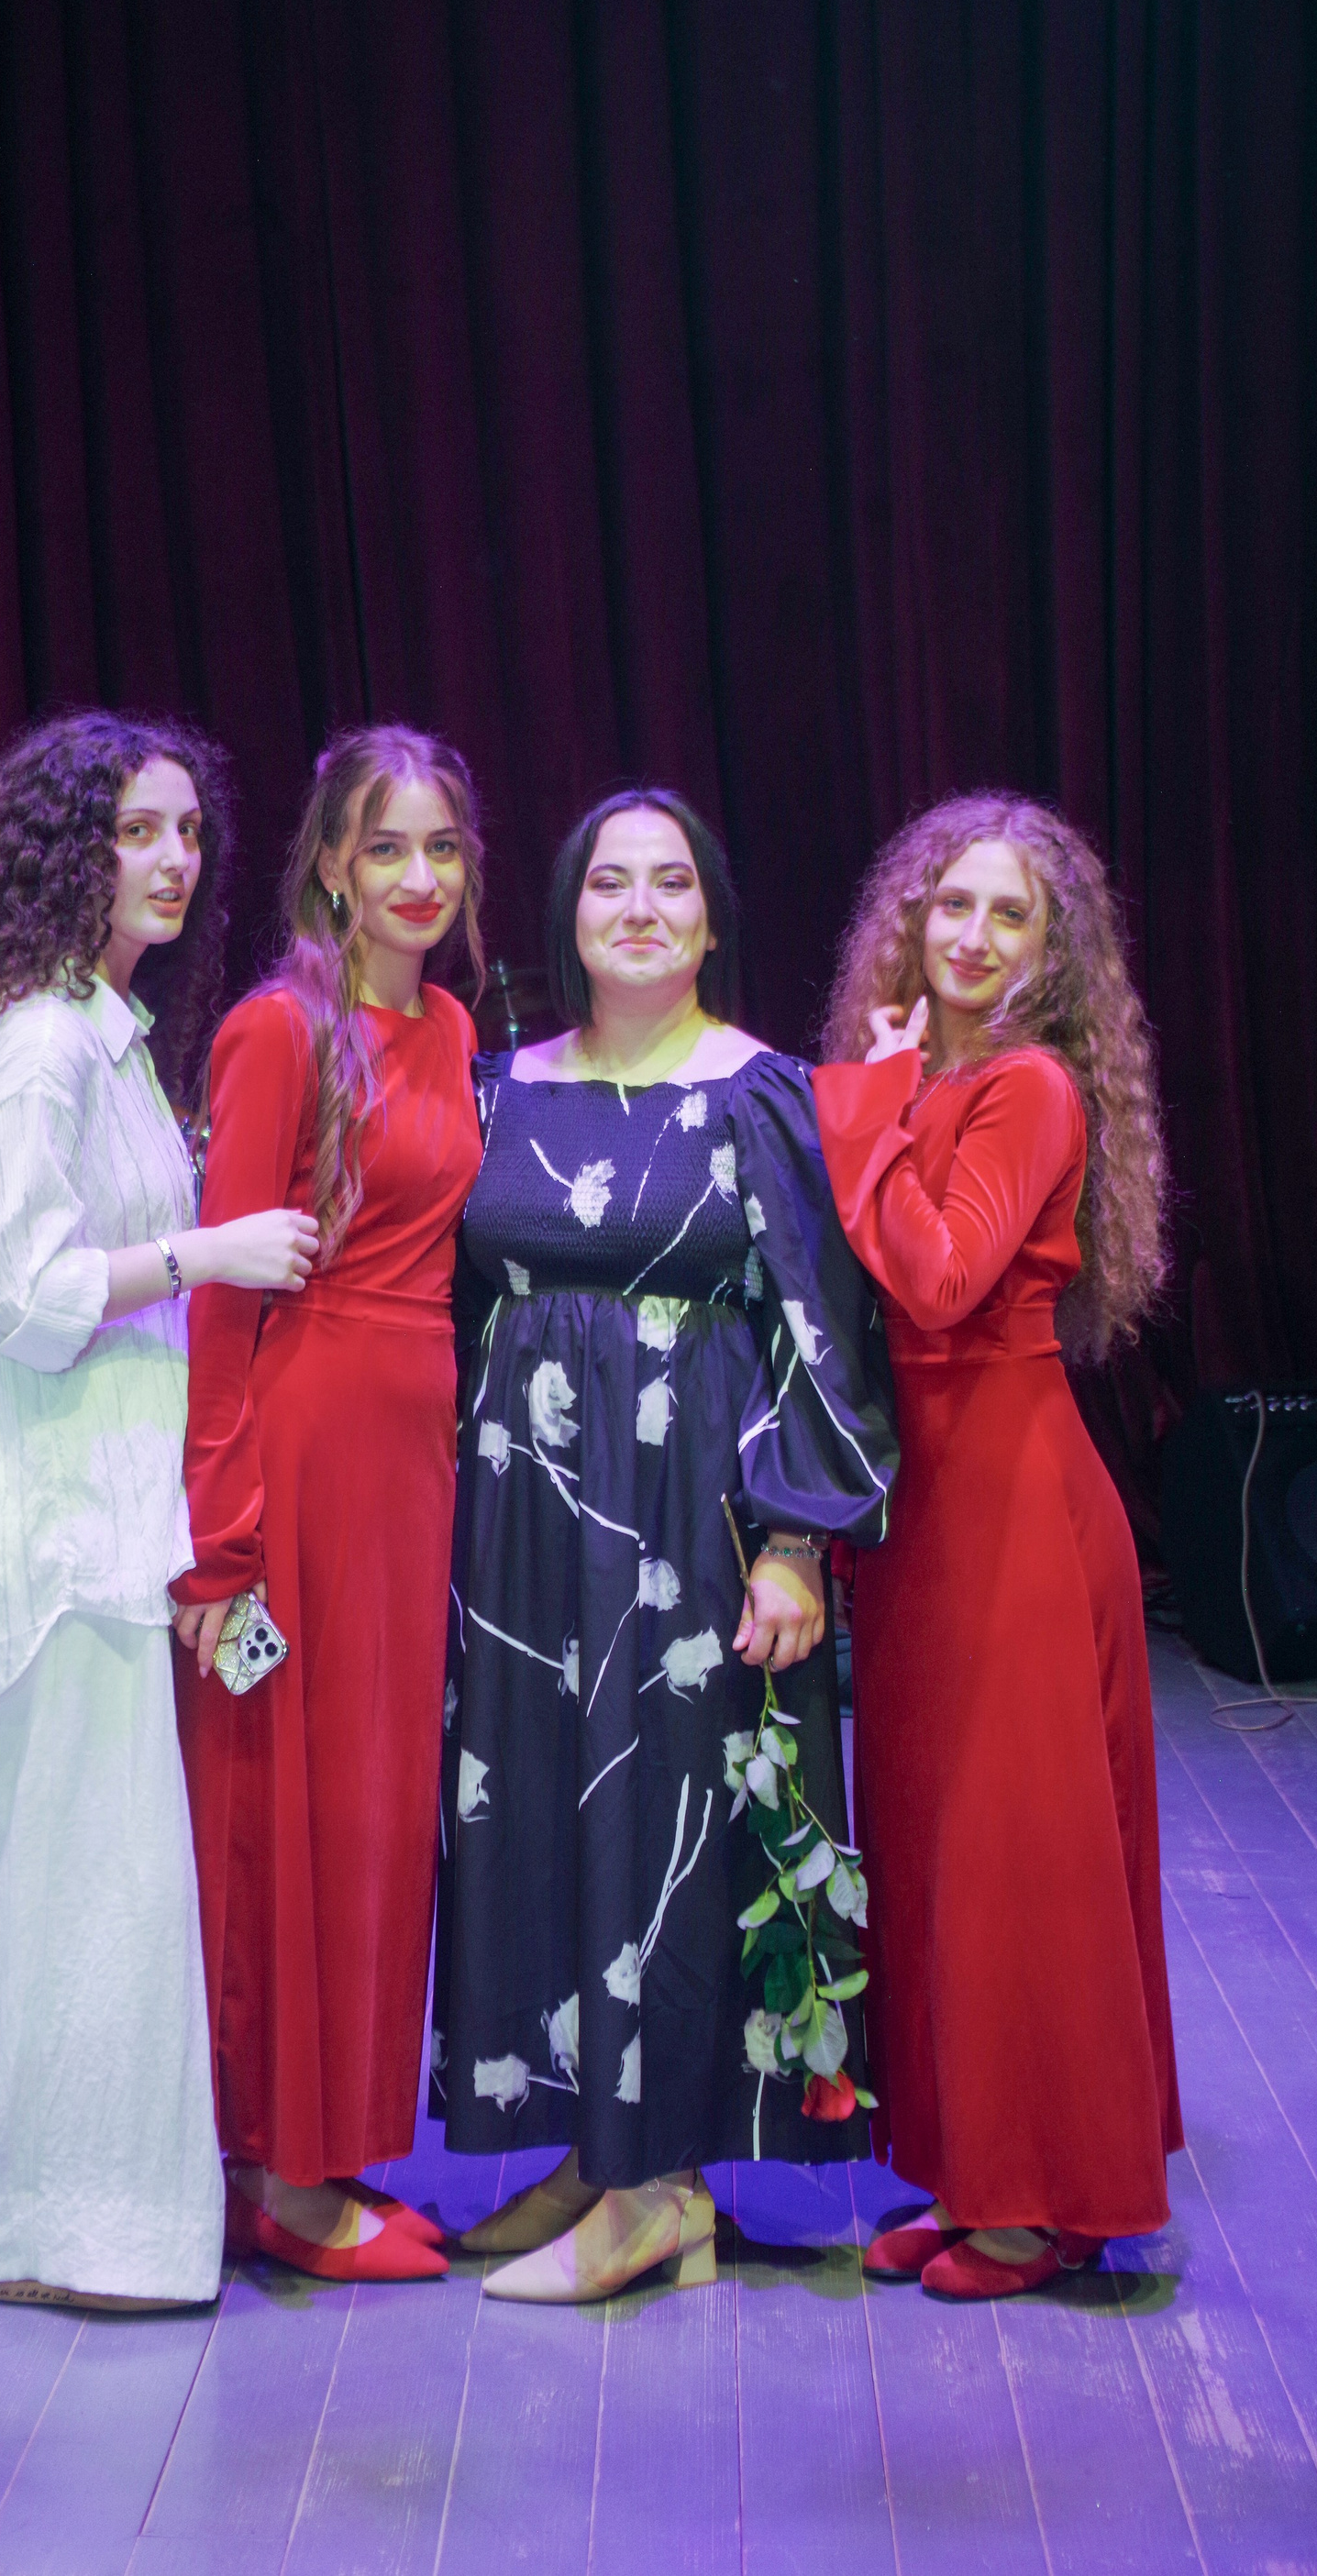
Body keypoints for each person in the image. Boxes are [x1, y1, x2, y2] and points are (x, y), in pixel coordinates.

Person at [0, 710, 318, 2312]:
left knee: (119, 1890)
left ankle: (123, 2224)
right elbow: (23, 1294)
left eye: (187, 831)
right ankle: (70, 2236)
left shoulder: (100, 1034)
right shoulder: (37, 1046)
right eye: (136, 831)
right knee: (87, 1890)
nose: (174, 860)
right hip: (67, 1540)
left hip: (119, 1525)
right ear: (66, 851)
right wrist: (210, 1253)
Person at [434, 788, 898, 2305]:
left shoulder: (760, 1093)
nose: (640, 908)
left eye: (671, 883)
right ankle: (596, 2149)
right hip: (523, 1527)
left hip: (687, 1520)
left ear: (710, 920)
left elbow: (821, 1333)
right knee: (541, 1819)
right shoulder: (501, 1089)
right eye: (609, 884)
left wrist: (796, 1543)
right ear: (569, 916)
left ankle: (661, 2195)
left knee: (666, 1826)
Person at [811, 790, 1183, 2302]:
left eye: (1008, 914)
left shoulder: (1026, 1088)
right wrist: (886, 1101)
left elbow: (943, 1275)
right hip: (928, 1514)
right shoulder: (928, 1081)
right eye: (950, 906)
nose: (970, 937)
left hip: (1015, 1512)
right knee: (940, 1847)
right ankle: (977, 2178)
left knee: (1017, 1858)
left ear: (1052, 951)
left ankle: (1040, 2200)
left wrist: (862, 1108)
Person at [171, 724, 485, 2283]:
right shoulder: (280, 1030)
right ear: (332, 867)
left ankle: (336, 2149)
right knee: (278, 1816)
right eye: (387, 848)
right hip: (298, 1466)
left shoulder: (452, 1027)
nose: (419, 877)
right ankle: (280, 2186)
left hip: (408, 1476)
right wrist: (220, 1545)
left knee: (371, 1817)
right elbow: (221, 1307)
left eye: (442, 848)